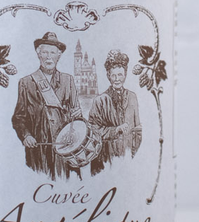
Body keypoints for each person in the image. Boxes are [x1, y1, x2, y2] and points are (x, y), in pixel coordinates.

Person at [11, 32, 84, 178]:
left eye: (52, 53)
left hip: (64, 149)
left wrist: (77, 115)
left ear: (59, 56)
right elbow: (18, 118)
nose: (48, 57)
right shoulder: (26, 83)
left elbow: (77, 116)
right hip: (39, 150)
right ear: (38, 54)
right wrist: (26, 136)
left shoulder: (68, 80)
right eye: (44, 52)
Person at [88, 49, 142, 175]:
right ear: (108, 76)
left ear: (125, 75)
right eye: (113, 75)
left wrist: (135, 153)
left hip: (129, 158)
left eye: (120, 75)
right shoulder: (100, 100)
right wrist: (115, 130)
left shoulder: (132, 97)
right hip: (107, 159)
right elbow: (93, 131)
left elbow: (138, 128)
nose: (117, 79)